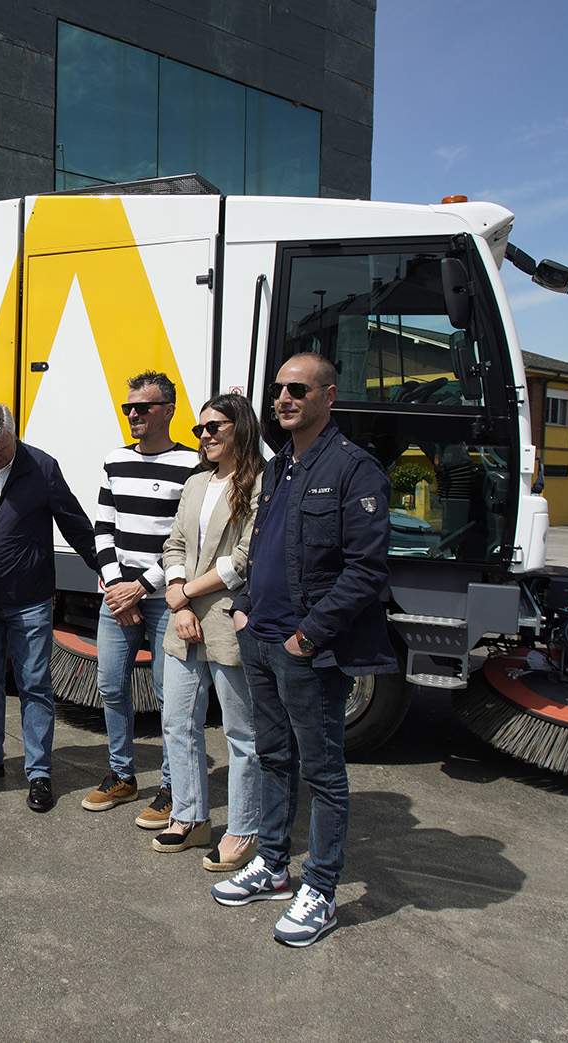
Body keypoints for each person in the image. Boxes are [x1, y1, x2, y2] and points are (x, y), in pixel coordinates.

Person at [212, 353, 397, 948]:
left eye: (298, 389)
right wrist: (242, 610)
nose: (284, 399)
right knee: (272, 757)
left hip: (306, 650)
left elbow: (366, 570)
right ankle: (272, 863)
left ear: (328, 396)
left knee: (323, 773)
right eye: (278, 390)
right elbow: (259, 549)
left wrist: (307, 636)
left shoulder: (353, 469)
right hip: (260, 637)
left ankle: (319, 888)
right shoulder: (278, 468)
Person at [0, 402, 97, 813]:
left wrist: (105, 570)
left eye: (0, 449)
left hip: (29, 599)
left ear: (13, 435)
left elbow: (74, 522)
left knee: (34, 685)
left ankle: (40, 772)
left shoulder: (41, 467)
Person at [80, 372, 200, 830]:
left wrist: (142, 587)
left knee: (171, 699)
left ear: (167, 410)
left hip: (164, 598)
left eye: (143, 407)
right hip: (117, 596)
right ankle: (122, 774)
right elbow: (102, 528)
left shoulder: (191, 465)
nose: (133, 414)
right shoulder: (115, 460)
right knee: (110, 686)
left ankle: (170, 787)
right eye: (128, 407)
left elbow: (185, 538)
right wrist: (116, 586)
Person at [155, 393, 263, 866]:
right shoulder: (196, 483)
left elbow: (244, 558)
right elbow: (174, 541)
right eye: (200, 429)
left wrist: (184, 593)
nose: (205, 436)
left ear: (240, 427)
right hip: (186, 619)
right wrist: (178, 594)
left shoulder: (260, 483)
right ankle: (191, 817)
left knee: (241, 734)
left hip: (226, 621)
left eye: (215, 426)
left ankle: (242, 829)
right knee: (178, 723)